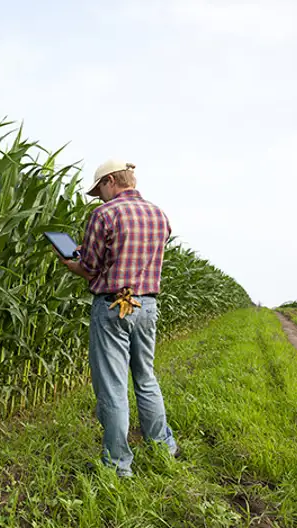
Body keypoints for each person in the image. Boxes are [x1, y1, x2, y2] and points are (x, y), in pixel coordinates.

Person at [55, 159, 178, 477]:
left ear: (111, 180)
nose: (99, 198)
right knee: (146, 378)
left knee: (112, 387)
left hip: (112, 306)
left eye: (100, 190)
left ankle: (118, 465)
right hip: (146, 305)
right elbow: (138, 255)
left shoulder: (104, 214)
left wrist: (72, 263)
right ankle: (163, 448)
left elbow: (90, 267)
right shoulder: (159, 215)